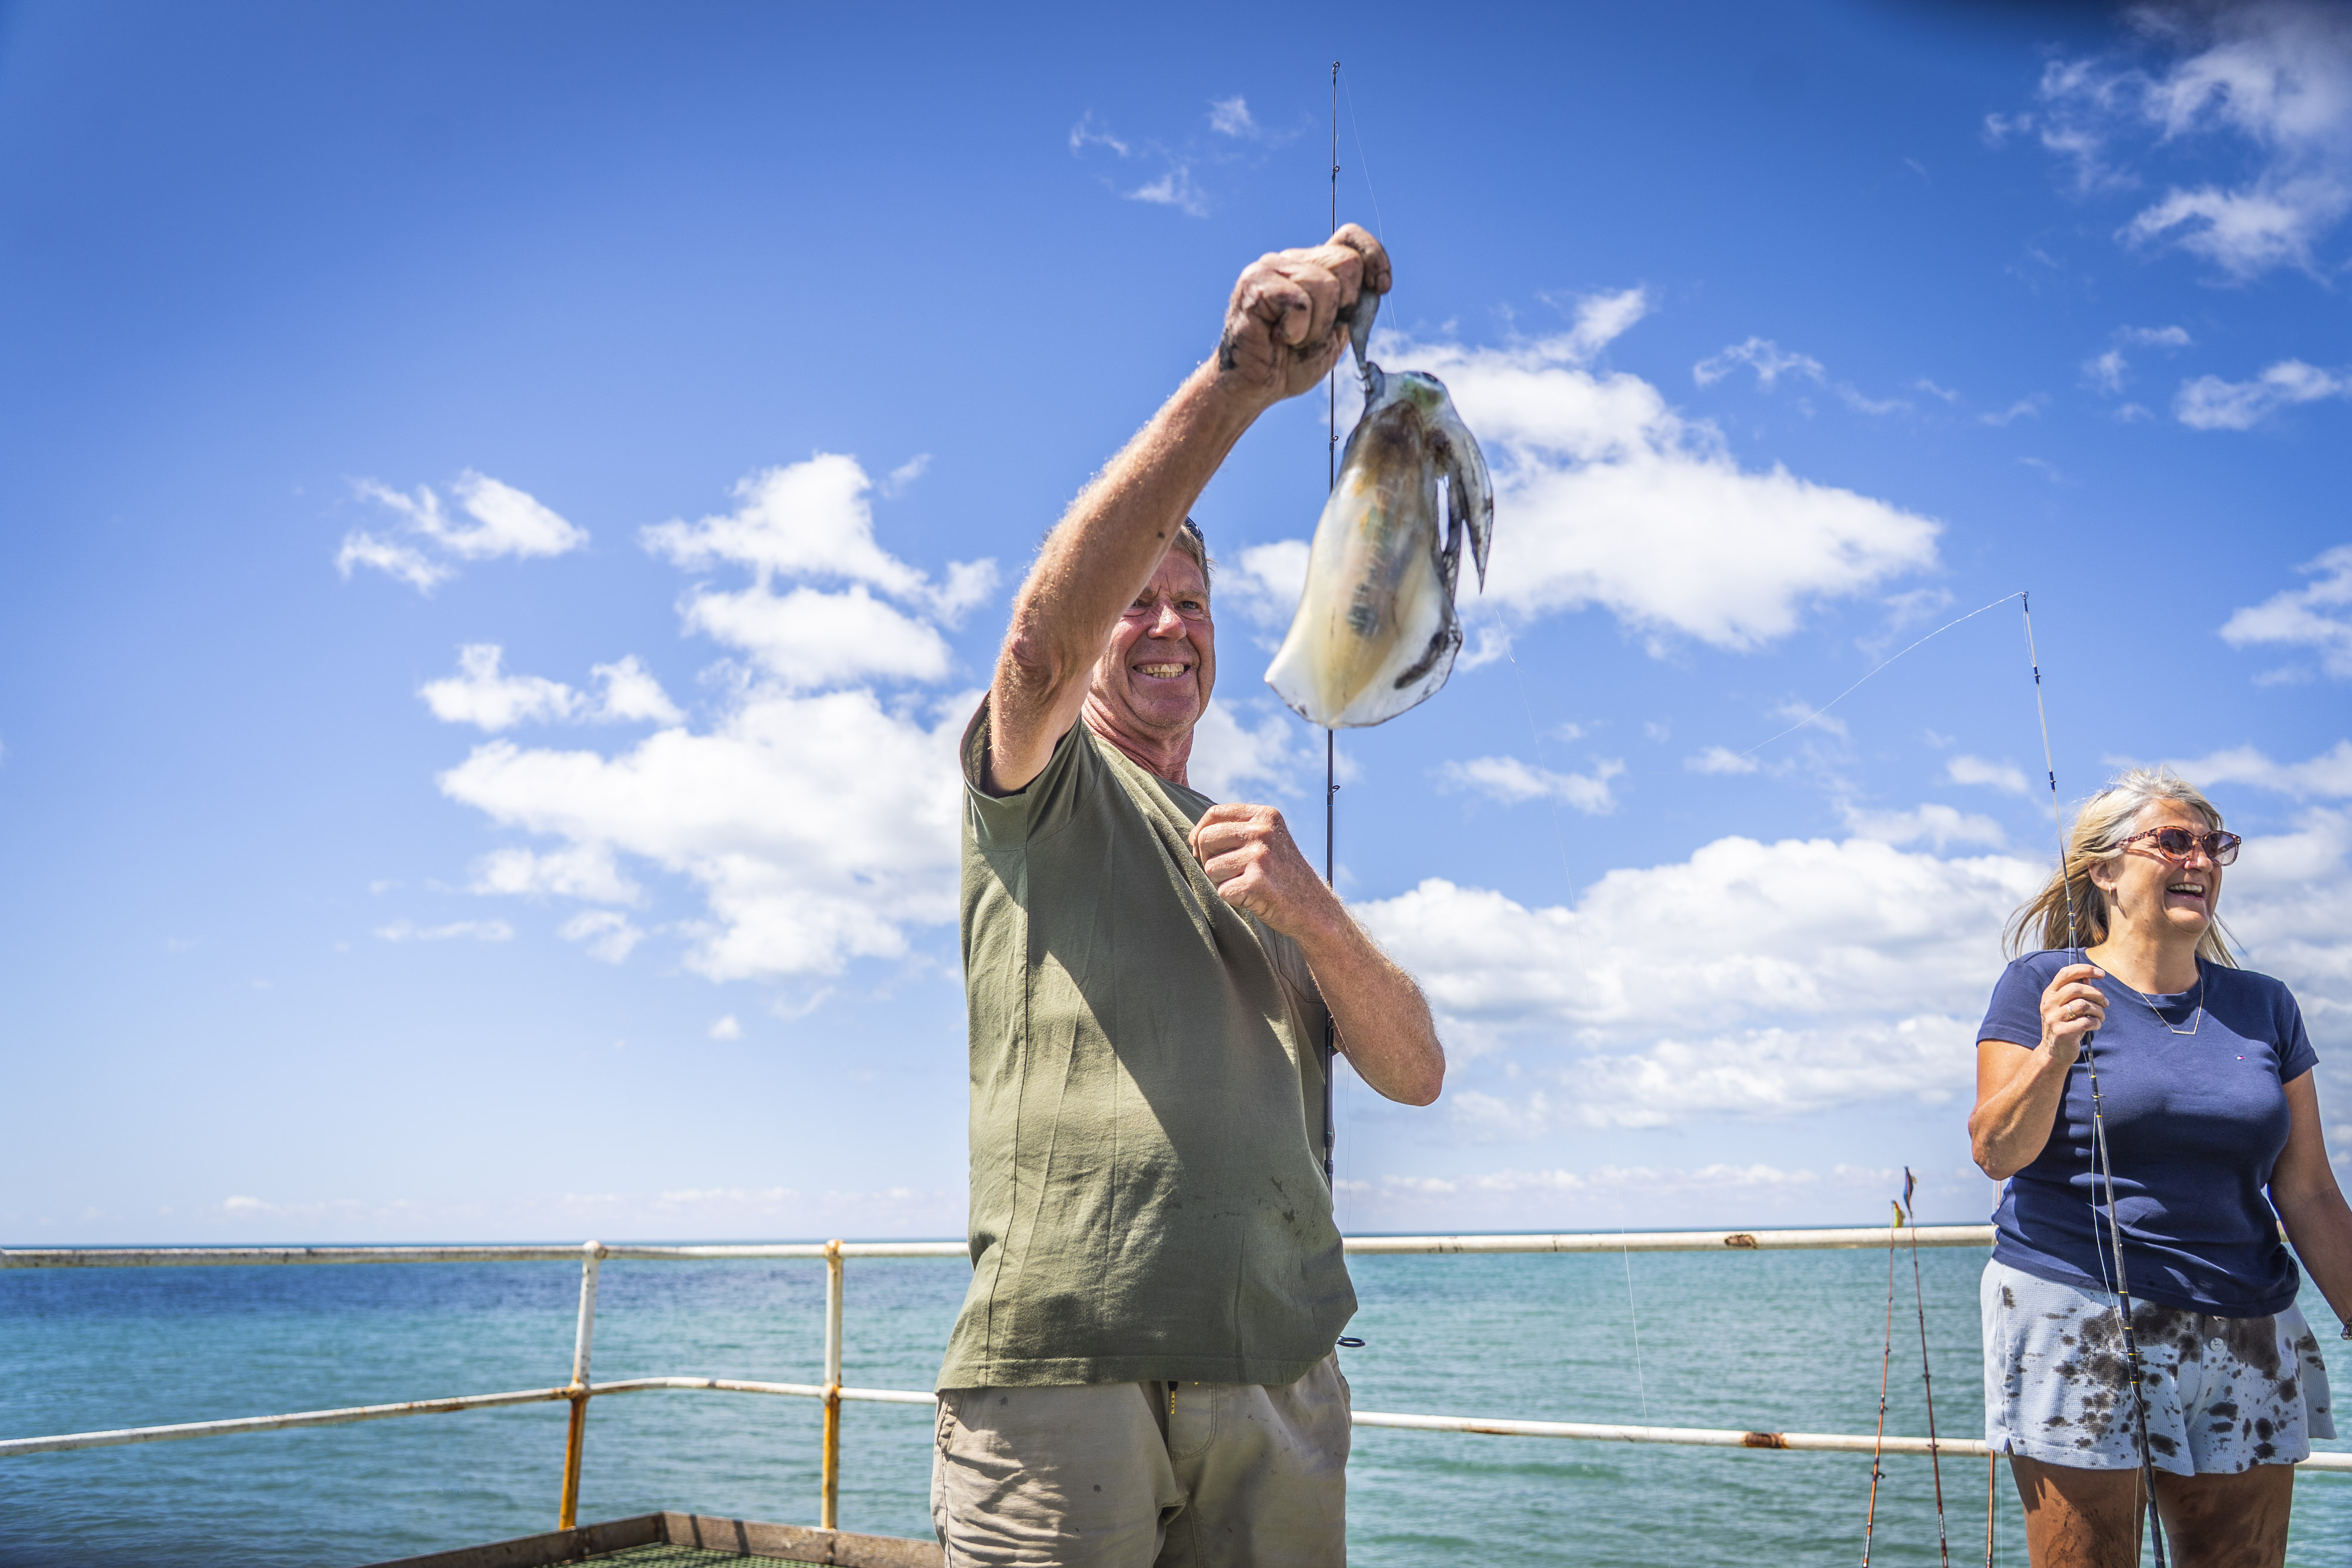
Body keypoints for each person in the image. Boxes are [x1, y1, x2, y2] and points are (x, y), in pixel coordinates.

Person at [930, 225, 1447, 1568]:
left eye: (1194, 601)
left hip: (1277, 1376)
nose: (1166, 625)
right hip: (1067, 1376)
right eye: (1137, 600)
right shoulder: (1038, 783)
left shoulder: (1258, 850)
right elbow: (1040, 649)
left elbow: (1416, 1067)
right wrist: (1237, 384)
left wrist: (1316, 916)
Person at [1969, 768, 2352, 1566]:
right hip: (2075, 1314)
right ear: (2103, 869)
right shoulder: (2041, 985)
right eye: (2175, 841)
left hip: (2246, 1323)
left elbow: (2309, 1190)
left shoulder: (2267, 1006)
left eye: (2216, 846)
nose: (2201, 861)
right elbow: (1997, 1151)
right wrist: (2053, 1054)